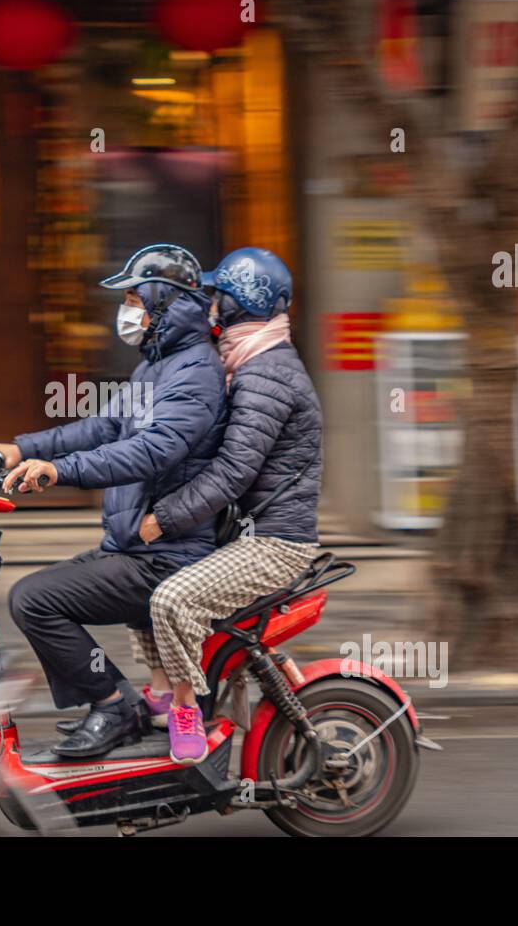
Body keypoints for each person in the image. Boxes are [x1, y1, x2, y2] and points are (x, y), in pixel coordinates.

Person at [0, 244, 226, 758]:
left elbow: (153, 450)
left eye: (133, 297)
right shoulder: (157, 366)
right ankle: (112, 703)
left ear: (163, 302)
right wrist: (24, 447)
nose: (124, 310)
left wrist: (60, 471)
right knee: (37, 595)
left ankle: (112, 705)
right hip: (131, 544)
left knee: (35, 599)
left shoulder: (194, 373)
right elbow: (106, 426)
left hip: (166, 556)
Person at [133, 247, 323, 764]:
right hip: (245, 532)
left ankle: (186, 707)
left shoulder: (266, 374)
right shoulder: (243, 360)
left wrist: (162, 519)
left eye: (219, 297)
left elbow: (233, 472)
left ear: (241, 304)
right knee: (136, 568)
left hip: (275, 544)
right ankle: (157, 690)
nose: (210, 305)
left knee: (173, 599)